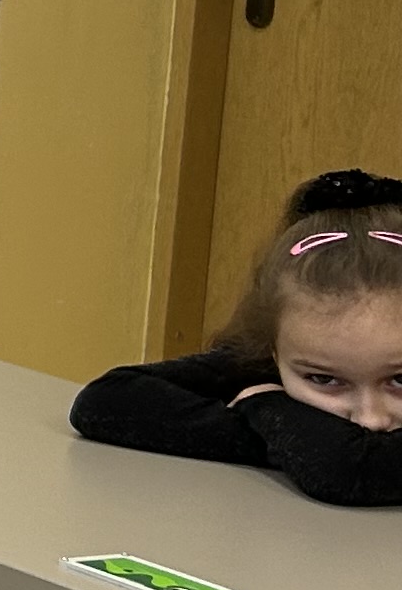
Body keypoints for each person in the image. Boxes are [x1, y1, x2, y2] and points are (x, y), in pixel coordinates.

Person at [69, 170, 402, 505]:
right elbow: (105, 400)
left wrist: (267, 408)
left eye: (400, 379)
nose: (371, 419)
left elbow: (353, 471)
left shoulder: (285, 386)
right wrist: (291, 442)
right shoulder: (264, 360)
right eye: (323, 380)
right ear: (273, 350)